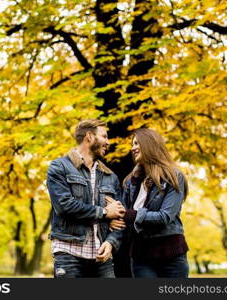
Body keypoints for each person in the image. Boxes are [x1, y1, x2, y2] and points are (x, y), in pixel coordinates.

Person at [46, 119, 126, 278]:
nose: (108, 142)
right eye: (104, 136)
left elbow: (119, 217)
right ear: (89, 137)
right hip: (68, 252)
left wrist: (111, 242)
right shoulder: (59, 167)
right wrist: (104, 213)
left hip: (101, 255)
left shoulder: (110, 177)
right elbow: (64, 206)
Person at [108, 128, 189, 278]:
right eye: (132, 144)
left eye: (137, 143)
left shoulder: (173, 176)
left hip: (171, 255)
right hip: (140, 256)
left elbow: (164, 217)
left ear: (150, 144)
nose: (133, 148)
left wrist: (129, 215)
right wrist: (113, 223)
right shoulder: (130, 181)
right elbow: (122, 217)